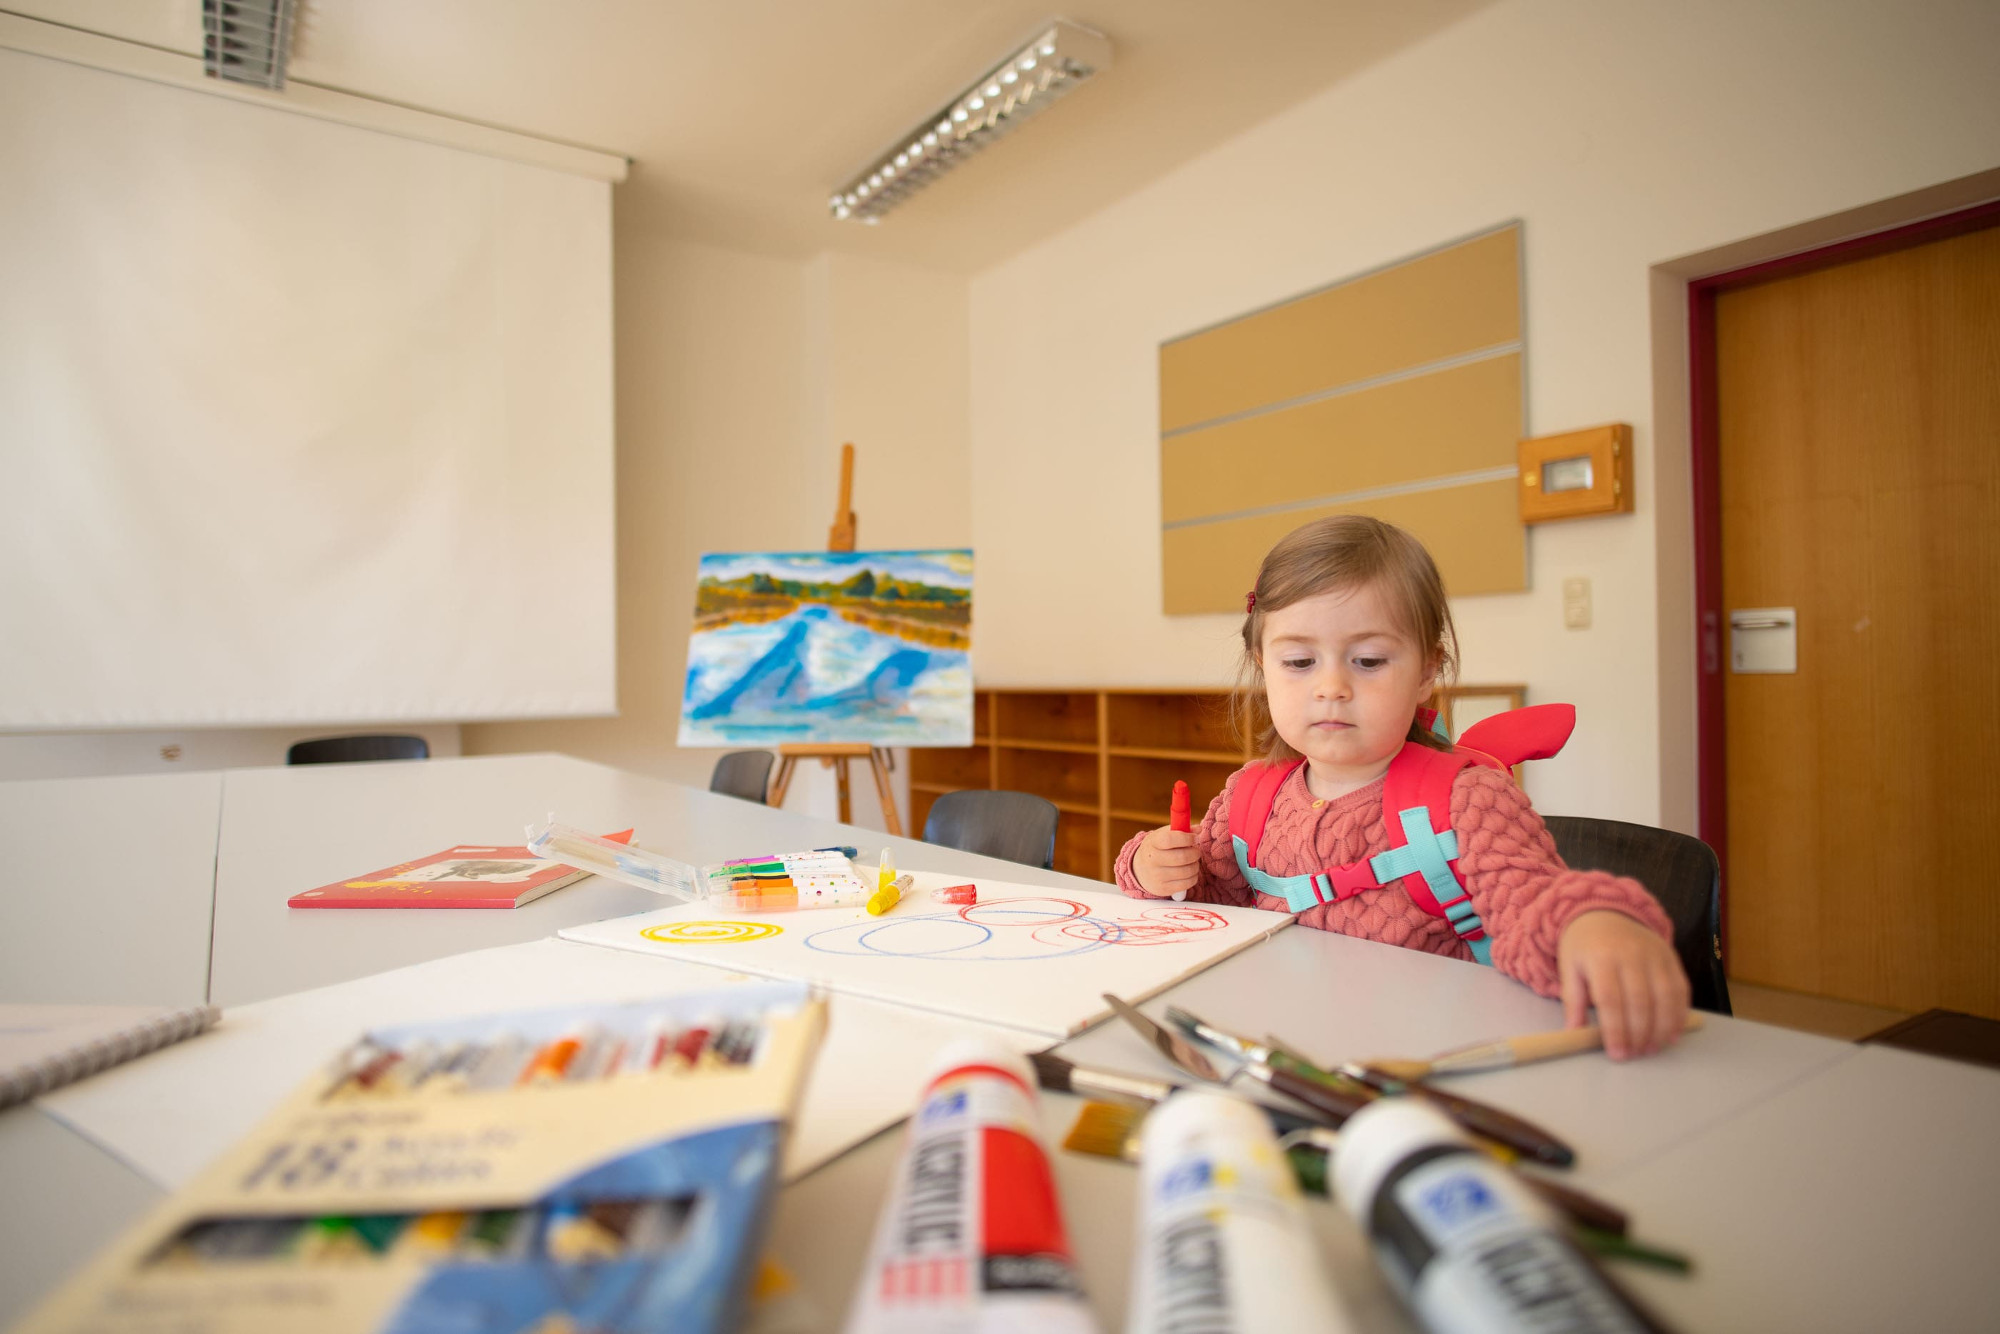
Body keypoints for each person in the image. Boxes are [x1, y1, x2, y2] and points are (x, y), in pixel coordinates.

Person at [1120, 516, 1689, 1058]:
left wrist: (1590, 922)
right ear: (1260, 663)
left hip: (1425, 1060)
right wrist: (1153, 867)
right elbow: (1209, 902)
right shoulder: (1250, 796)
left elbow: (1530, 903)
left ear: (1425, 670)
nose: (1332, 686)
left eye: (1368, 660)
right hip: (1285, 1046)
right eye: (1298, 661)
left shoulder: (1467, 800)